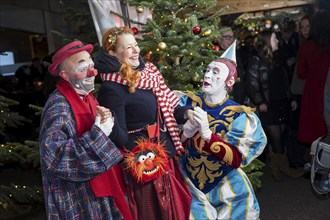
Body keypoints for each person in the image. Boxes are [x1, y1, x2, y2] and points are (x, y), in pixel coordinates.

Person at [94, 27, 192, 220]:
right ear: (113, 53)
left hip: (164, 154)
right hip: (144, 164)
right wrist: (108, 124)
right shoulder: (111, 88)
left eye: (136, 45)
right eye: (129, 47)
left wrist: (188, 113)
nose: (136, 51)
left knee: (177, 210)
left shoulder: (148, 76)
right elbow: (119, 137)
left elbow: (169, 110)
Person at [179, 41, 267, 219]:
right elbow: (171, 145)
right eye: (208, 70)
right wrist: (185, 134)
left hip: (226, 183)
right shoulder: (186, 103)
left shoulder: (240, 116)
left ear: (230, 81)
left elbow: (236, 159)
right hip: (189, 182)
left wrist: (208, 136)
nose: (208, 75)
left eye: (215, 72)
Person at [39, 40, 124, 219]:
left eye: (92, 66)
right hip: (77, 196)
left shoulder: (86, 97)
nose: (92, 72)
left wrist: (102, 120)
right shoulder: (59, 106)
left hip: (98, 191)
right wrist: (99, 134)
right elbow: (56, 158)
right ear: (64, 74)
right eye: (82, 67)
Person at [245, 30, 304, 181]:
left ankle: (275, 164)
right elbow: (252, 84)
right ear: (266, 42)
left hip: (282, 101)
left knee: (282, 134)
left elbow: (286, 80)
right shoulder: (256, 60)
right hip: (268, 104)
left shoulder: (279, 57)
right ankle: (283, 167)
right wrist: (260, 102)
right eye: (274, 39)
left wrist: (291, 98)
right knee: (276, 136)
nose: (277, 41)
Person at [296, 9, 330, 146]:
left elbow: (301, 73)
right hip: (327, 90)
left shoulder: (306, 47)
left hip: (313, 93)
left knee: (316, 133)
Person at [215, 26, 246, 104]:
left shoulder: (236, 54)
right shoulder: (215, 56)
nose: (231, 40)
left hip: (238, 98)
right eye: (228, 37)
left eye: (232, 37)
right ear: (219, 39)